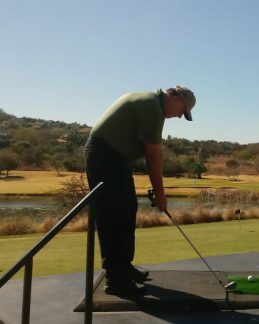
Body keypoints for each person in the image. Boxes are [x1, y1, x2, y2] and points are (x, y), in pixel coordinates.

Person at [84, 86, 196, 296]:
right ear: (176, 98)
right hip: (104, 155)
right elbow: (153, 158)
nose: (180, 116)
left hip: (115, 158)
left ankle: (124, 266)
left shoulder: (153, 105)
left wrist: (158, 190)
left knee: (128, 209)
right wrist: (161, 194)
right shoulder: (151, 107)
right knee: (113, 215)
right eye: (182, 111)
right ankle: (116, 279)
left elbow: (151, 155)